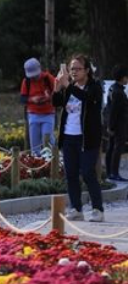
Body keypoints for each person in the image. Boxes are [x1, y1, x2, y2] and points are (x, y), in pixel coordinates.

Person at [53, 54, 104, 222]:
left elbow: (88, 100)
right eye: (71, 69)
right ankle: (76, 208)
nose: (74, 72)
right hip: (69, 136)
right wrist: (57, 88)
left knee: (88, 172)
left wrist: (68, 85)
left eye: (78, 69)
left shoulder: (94, 87)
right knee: (71, 174)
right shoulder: (70, 87)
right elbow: (57, 103)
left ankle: (97, 209)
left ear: (87, 71)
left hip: (87, 138)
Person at [20, 57, 56, 155]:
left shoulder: (48, 78)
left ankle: (51, 160)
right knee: (35, 144)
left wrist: (49, 97)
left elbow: (58, 93)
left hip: (48, 114)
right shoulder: (26, 82)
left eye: (35, 75)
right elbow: (22, 99)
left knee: (47, 139)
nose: (33, 78)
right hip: (33, 114)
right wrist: (33, 99)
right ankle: (36, 162)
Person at [105, 65, 128, 182]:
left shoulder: (112, 88)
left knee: (111, 147)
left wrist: (109, 125)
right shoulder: (118, 92)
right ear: (122, 77)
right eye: (126, 76)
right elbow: (114, 110)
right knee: (117, 148)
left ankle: (109, 172)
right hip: (119, 125)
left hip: (114, 124)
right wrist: (111, 126)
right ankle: (114, 172)